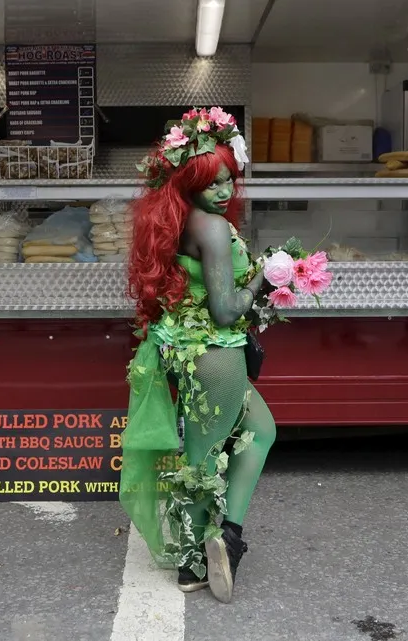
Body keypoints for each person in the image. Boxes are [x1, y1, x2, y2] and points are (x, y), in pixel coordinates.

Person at [120, 107, 276, 604]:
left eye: (230, 179)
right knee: (202, 459)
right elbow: (228, 310)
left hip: (188, 351)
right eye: (212, 183)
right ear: (189, 183)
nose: (225, 191)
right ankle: (193, 563)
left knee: (261, 431)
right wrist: (266, 275)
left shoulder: (179, 221)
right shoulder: (210, 227)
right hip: (216, 353)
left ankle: (225, 536)